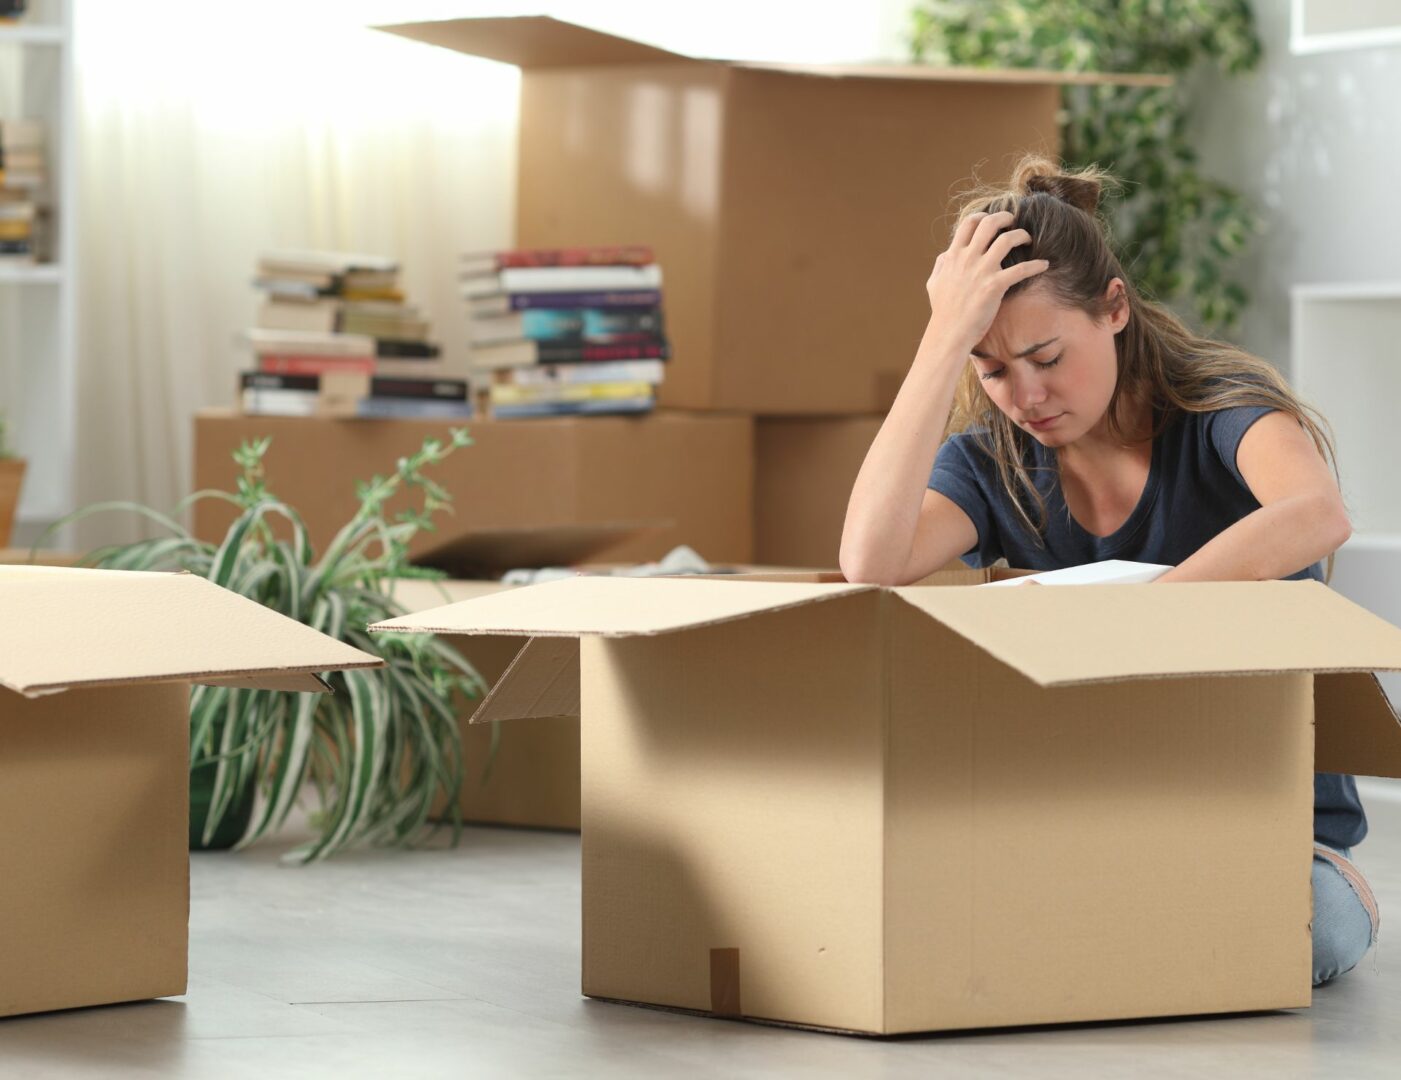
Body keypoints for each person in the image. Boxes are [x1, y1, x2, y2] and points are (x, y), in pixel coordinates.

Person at [840, 153, 1378, 987]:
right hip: (1087, 811)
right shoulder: (990, 463)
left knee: (1302, 934)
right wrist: (942, 336)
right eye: (991, 369)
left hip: (1261, 824)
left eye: (1046, 356)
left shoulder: (1220, 413)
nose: (1025, 394)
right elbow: (870, 562)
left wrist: (1124, 633)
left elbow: (1315, 514)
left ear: (1114, 309)